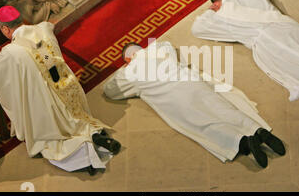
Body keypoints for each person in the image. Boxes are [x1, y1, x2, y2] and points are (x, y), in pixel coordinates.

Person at [0, 6, 121, 175]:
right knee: (76, 119)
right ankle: (94, 134)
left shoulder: (11, 52)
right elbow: (45, 47)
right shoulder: (43, 29)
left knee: (52, 138)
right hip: (69, 88)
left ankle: (86, 155)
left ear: (5, 29)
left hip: (50, 100)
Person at [103, 40, 285, 168]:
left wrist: (127, 67)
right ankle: (256, 129)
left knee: (205, 124)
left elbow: (109, 90)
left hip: (176, 99)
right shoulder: (158, 47)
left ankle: (243, 142)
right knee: (222, 109)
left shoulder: (127, 74)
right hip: (192, 83)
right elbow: (167, 46)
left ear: (127, 60)